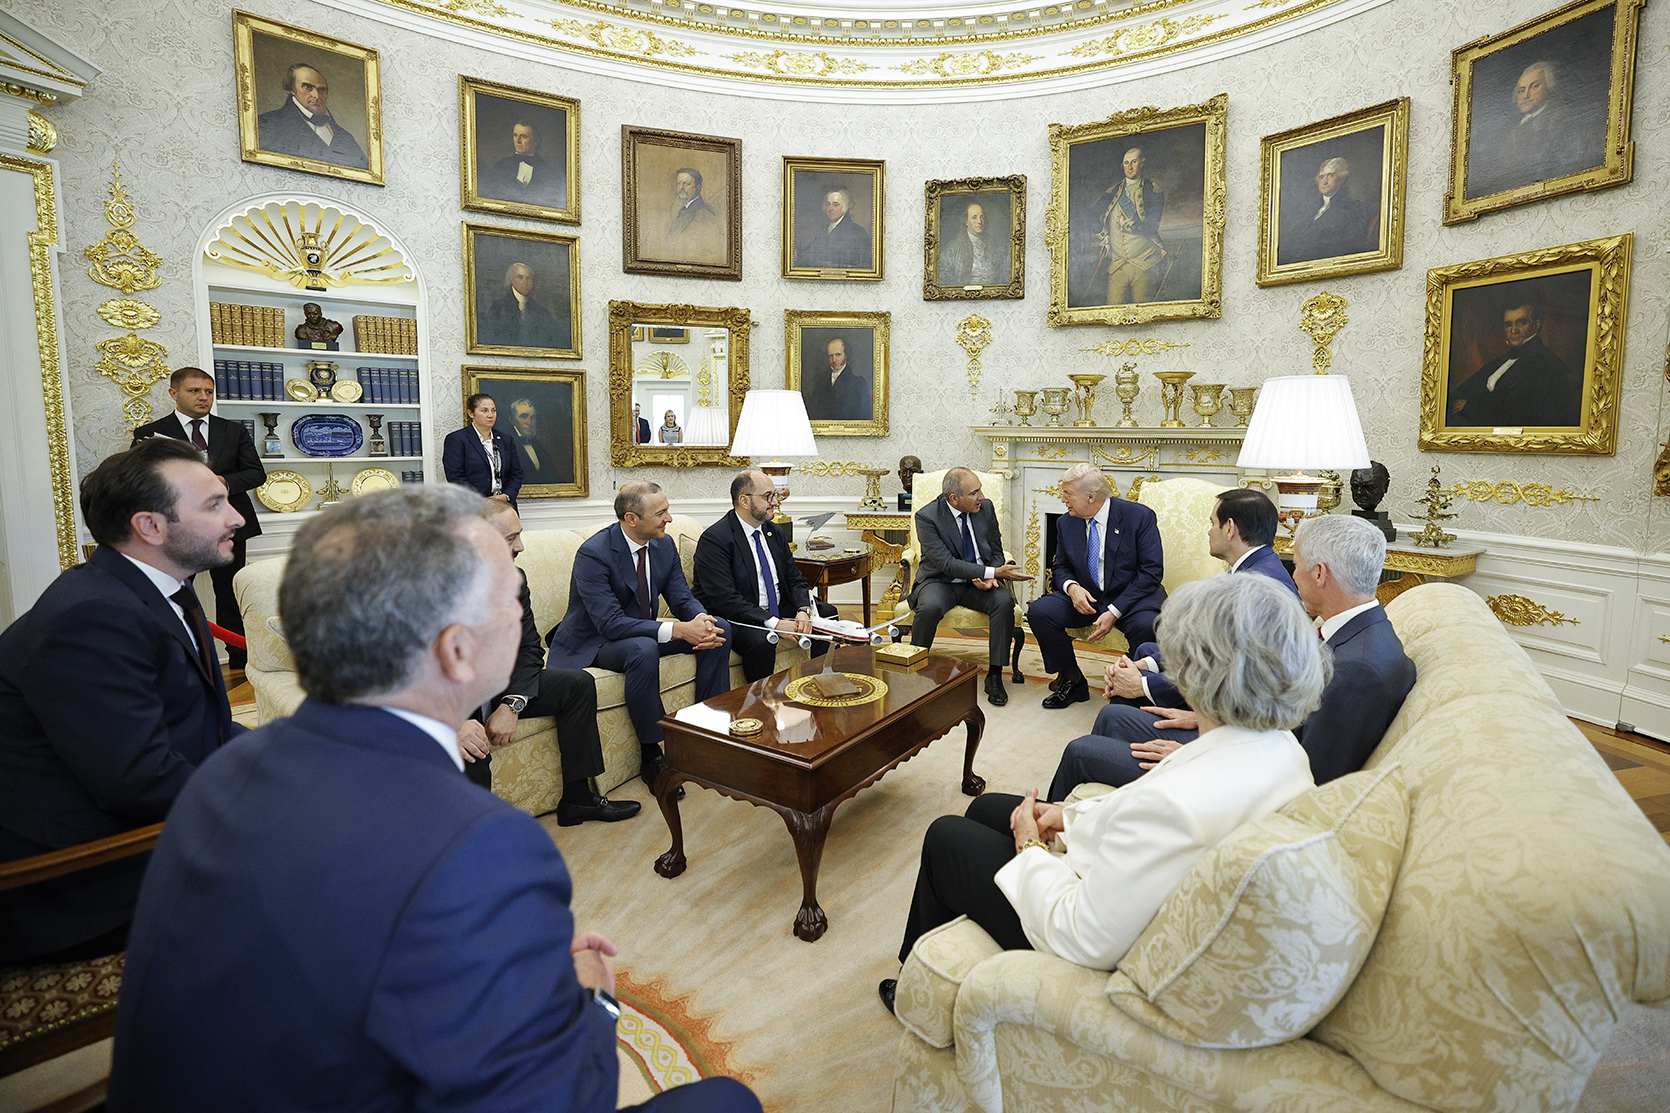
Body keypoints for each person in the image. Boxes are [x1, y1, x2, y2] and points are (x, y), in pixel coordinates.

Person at [107, 486, 759, 1113]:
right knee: (730, 1099)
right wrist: (593, 998)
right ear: (456, 648)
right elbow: (561, 1099)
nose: (521, 611)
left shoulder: (224, 767)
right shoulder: (485, 846)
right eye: (506, 598)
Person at [879, 573, 1323, 1013]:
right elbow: (1152, 805)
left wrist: (1030, 847)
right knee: (986, 808)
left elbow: (1083, 937)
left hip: (1086, 946)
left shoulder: (1176, 806)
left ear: (1195, 674)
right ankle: (945, 954)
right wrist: (1069, 818)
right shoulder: (1280, 746)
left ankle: (917, 995)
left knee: (945, 837)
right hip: (1134, 886)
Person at [0, 438, 245, 963]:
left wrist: (300, 753)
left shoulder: (156, 586)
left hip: (137, 826)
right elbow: (140, 781)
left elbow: (202, 722)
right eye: (214, 505)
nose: (237, 518)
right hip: (83, 879)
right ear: (149, 526)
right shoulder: (92, 616)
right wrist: (278, 798)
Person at [1047, 513, 1415, 800]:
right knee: (1113, 716)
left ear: (1319, 573)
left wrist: (1198, 753)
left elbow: (1308, 779)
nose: (1292, 575)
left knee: (1082, 752)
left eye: (1297, 564)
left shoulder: (1359, 670)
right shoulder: (1361, 633)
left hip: (1239, 776)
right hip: (1248, 742)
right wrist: (1206, 720)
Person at [546, 481, 731, 793]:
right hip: (593, 642)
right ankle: (652, 755)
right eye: (660, 514)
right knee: (643, 649)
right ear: (631, 518)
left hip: (636, 631)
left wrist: (701, 620)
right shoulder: (594, 554)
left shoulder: (664, 545)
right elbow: (610, 624)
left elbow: (682, 598)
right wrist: (679, 630)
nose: (668, 519)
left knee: (720, 628)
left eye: (667, 510)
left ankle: (706, 733)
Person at [461, 502, 638, 826]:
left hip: (496, 688)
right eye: (510, 538)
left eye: (519, 535)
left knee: (576, 684)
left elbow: (529, 649)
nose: (520, 546)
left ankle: (578, 800)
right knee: (472, 747)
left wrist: (512, 704)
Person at [1101, 489, 1296, 712]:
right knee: (1146, 652)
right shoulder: (1257, 567)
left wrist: (1142, 685)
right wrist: (1142, 666)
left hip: (1238, 706)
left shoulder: (1255, 587)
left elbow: (1220, 671)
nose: (1209, 531)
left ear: (1229, 528)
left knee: (1115, 712)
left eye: (1213, 523)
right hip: (1226, 674)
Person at [131, 366, 266, 670]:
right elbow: (139, 479)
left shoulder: (233, 430)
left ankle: (240, 662)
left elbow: (256, 473)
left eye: (208, 391)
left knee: (230, 594)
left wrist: (224, 481)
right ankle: (180, 660)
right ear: (174, 393)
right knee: (176, 593)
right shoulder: (149, 434)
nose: (203, 397)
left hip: (228, 526)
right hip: (177, 527)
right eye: (194, 391)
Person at [1025, 463, 1165, 709]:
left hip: (1132, 598)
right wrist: (1072, 588)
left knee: (1147, 626)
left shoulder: (1139, 517)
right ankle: (1072, 680)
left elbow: (1150, 572)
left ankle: (1130, 690)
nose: (1062, 499)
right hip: (1088, 596)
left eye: (1068, 493)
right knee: (1040, 612)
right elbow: (1061, 567)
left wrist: (1114, 611)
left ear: (1091, 497)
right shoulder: (1066, 522)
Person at [693, 469, 839, 682]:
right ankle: (761, 698)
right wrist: (775, 624)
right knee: (762, 640)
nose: (775, 502)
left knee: (827, 614)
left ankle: (818, 683)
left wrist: (803, 610)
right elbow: (725, 599)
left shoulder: (773, 532)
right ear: (744, 501)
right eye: (768, 496)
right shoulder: (715, 539)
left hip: (775, 606)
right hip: (737, 615)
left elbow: (795, 578)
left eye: (775, 495)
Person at [906, 468, 1033, 707]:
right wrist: (992, 573)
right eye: (974, 493)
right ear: (954, 498)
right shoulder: (928, 517)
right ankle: (915, 670)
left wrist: (990, 577)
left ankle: (995, 675)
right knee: (930, 607)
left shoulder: (986, 508)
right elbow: (946, 564)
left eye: (980, 490)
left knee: (1003, 601)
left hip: (978, 584)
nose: (981, 497)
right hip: (940, 581)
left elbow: (996, 551)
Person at [1474, 60, 1603, 196]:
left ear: (1550, 86)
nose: (1526, 96)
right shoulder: (1511, 125)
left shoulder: (1558, 119)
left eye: (1534, 87)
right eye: (1521, 91)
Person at [1447, 302, 1582, 429]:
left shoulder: (1547, 364)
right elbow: (1459, 394)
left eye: (1522, 323)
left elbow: (1518, 413)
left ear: (1536, 325)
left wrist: (1470, 407)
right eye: (1508, 325)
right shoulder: (1498, 363)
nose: (1513, 330)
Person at [256, 61, 368, 169]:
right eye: (307, 87)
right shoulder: (266, 124)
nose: (316, 96)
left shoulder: (346, 138)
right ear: (292, 90)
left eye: (321, 90)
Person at [1094, 147, 1166, 305]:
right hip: (1117, 265)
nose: (1130, 167)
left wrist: (1131, 226)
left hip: (1144, 263)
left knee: (1143, 311)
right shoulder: (1113, 191)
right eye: (1126, 163)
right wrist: (1104, 237)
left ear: (1142, 163)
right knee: (1112, 310)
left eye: (1134, 162)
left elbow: (1152, 225)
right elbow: (1091, 216)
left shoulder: (1152, 190)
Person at [1279, 157, 1375, 264]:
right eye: (1321, 177)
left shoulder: (1355, 208)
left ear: (1342, 178)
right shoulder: (1312, 209)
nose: (1324, 182)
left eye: (1330, 175)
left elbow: (1351, 244)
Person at [443, 393, 523, 510]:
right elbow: (455, 477)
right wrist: (483, 500)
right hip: (473, 507)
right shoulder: (457, 439)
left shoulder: (506, 440)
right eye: (484, 411)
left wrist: (506, 496)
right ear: (471, 413)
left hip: (504, 506)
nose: (490, 415)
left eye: (493, 410)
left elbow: (516, 473)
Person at [480, 261, 571, 351]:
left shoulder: (541, 311)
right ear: (511, 280)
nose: (525, 282)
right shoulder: (498, 308)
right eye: (520, 277)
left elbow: (559, 340)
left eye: (528, 278)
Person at [482, 119, 567, 208]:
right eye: (515, 135)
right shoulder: (501, 166)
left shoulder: (550, 172)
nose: (518, 141)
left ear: (536, 141)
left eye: (523, 136)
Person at [797, 188, 871, 269]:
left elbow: (864, 264)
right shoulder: (825, 230)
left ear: (845, 207)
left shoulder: (857, 231)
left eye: (836, 204)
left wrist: (831, 264)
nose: (830, 209)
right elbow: (807, 255)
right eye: (828, 204)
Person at [802, 337, 873, 422]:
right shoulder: (820, 381)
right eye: (831, 356)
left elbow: (863, 416)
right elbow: (812, 412)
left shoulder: (859, 383)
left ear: (846, 355)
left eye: (838, 355)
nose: (834, 360)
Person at [938, 201, 1009, 286]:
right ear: (966, 221)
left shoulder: (992, 246)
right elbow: (944, 279)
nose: (979, 221)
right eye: (974, 217)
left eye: (982, 217)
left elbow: (1001, 276)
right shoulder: (952, 249)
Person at [507, 396, 572, 485]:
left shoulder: (536, 443)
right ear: (512, 420)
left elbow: (552, 475)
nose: (529, 423)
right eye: (523, 417)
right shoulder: (505, 445)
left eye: (532, 417)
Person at [665, 167, 724, 262]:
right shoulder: (684, 209)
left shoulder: (704, 214)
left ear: (698, 188)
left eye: (686, 184)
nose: (681, 188)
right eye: (679, 183)